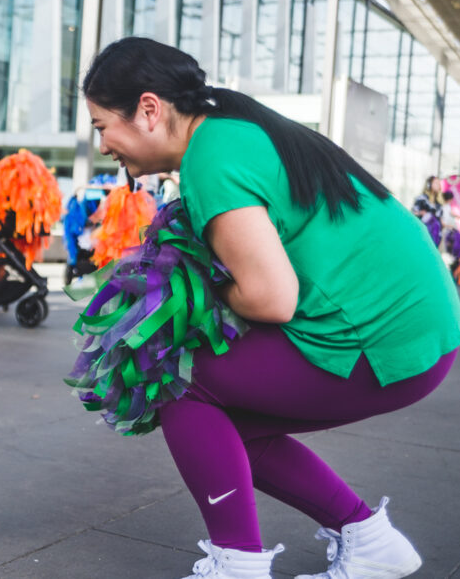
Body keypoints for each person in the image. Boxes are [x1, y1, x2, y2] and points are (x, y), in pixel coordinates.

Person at [81, 37, 459, 579]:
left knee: (179, 377)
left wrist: (193, 303)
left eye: (101, 127)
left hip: (386, 340)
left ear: (148, 109)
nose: (103, 146)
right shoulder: (234, 130)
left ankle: (238, 566)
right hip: (422, 330)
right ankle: (371, 541)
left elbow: (269, 298)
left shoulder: (211, 156)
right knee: (229, 423)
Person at [412, 175, 444, 247]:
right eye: (436, 183)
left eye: (439, 184)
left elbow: (440, 220)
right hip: (423, 234)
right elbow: (413, 214)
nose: (438, 185)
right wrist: (421, 213)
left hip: (436, 236)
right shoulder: (421, 199)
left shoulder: (439, 203)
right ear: (429, 185)